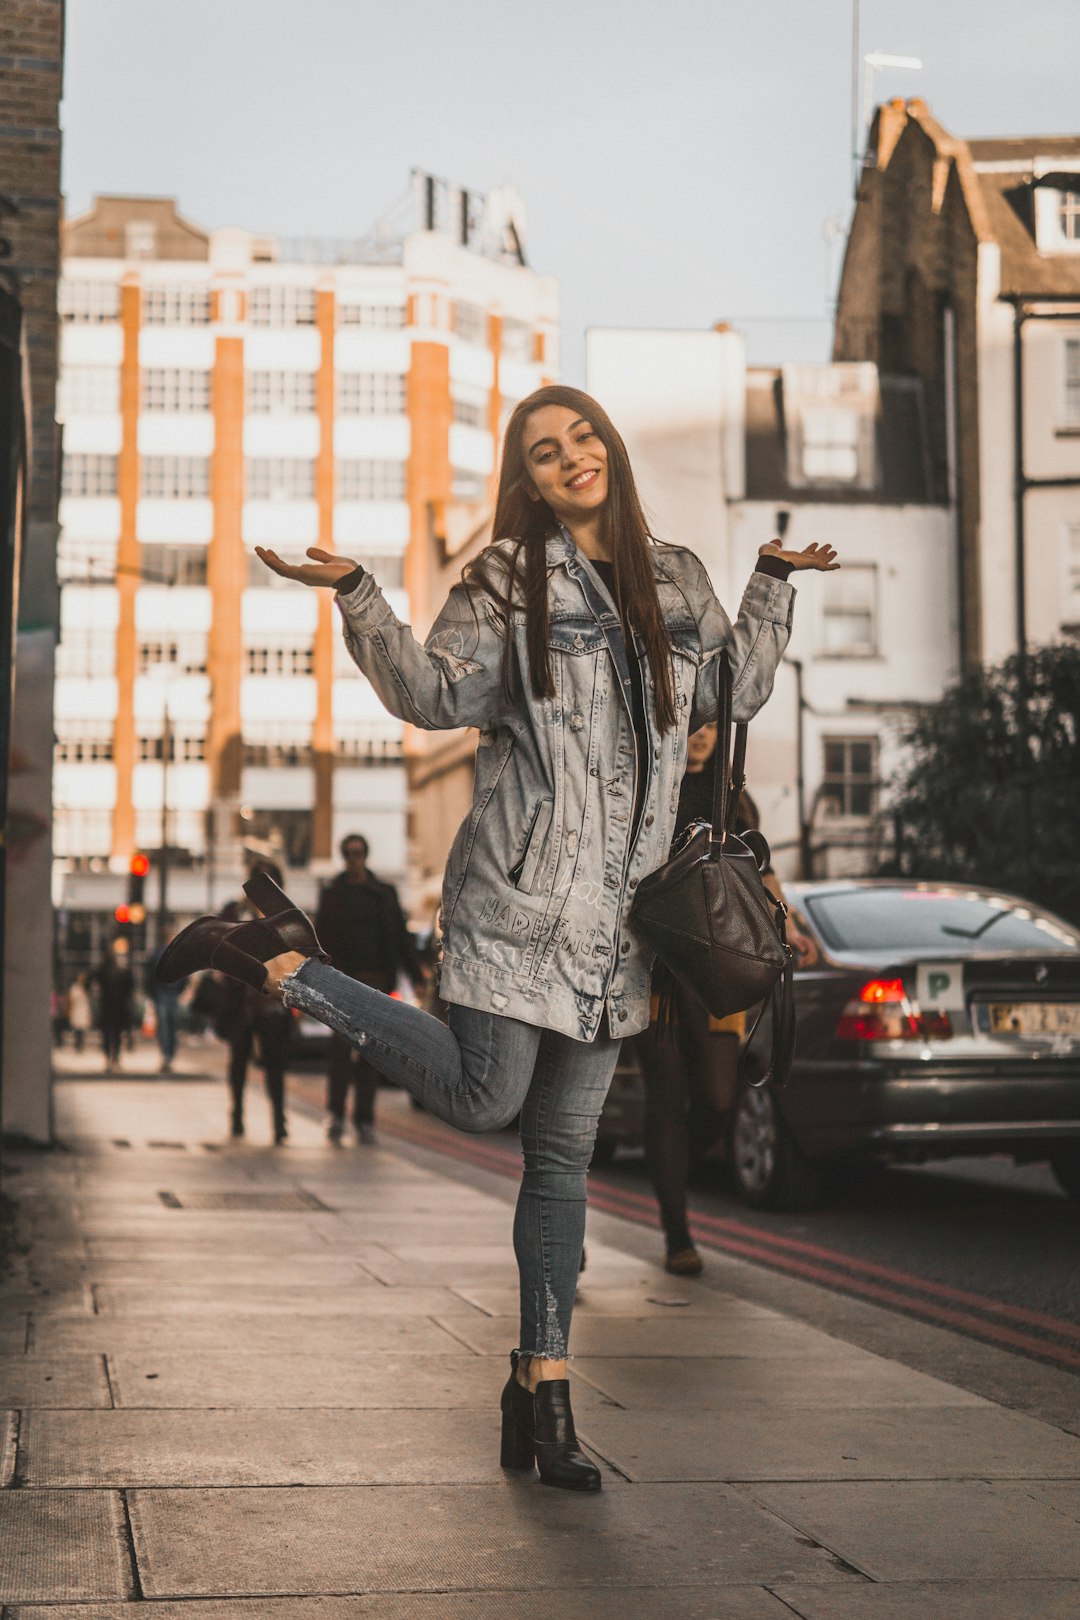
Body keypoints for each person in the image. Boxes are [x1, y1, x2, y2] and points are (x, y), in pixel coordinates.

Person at [158, 384, 838, 1491]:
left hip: (622, 929)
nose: (571, 459)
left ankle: (545, 1390)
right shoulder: (505, 584)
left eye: (582, 439)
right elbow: (431, 696)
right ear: (526, 479)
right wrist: (362, 595)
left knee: (561, 1161)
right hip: (516, 904)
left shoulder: (679, 579)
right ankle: (289, 962)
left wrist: (768, 581)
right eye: (544, 451)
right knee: (483, 1097)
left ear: (608, 449)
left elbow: (744, 686)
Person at [632, 724, 819, 1276]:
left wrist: (786, 927)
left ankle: (666, 1172)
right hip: (654, 964)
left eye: (711, 727)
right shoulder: (647, 785)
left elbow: (760, 868)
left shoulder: (732, 793)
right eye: (692, 724)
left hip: (714, 966)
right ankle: (677, 1233)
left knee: (716, 1099)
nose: (700, 736)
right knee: (666, 1097)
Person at [316, 833, 426, 1144]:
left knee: (370, 1054)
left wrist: (416, 974)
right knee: (339, 1054)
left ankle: (364, 1120)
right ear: (343, 857)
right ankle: (336, 1115)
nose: (354, 859)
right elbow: (320, 941)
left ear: (365, 855)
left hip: (375, 983)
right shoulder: (333, 894)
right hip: (341, 985)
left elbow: (401, 939)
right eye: (349, 854)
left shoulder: (383, 894)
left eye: (359, 853)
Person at [143, 946, 187, 1074]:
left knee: (165, 1027)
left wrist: (152, 993)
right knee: (170, 1027)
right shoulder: (175, 956)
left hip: (162, 994)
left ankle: (167, 1055)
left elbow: (149, 977)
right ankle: (168, 1055)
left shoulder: (157, 955)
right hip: (167, 994)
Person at [95, 940, 134, 1070]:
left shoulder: (103, 969)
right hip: (118, 1005)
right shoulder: (122, 970)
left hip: (108, 1005)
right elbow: (130, 986)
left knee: (108, 1033)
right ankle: (114, 1058)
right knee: (115, 1033)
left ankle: (109, 1058)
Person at [66, 972, 94, 1053]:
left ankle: (81, 1044)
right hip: (76, 1009)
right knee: (77, 1029)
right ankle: (77, 1045)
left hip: (84, 1009)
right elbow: (71, 999)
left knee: (82, 1029)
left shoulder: (86, 988)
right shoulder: (74, 988)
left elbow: (88, 1001)